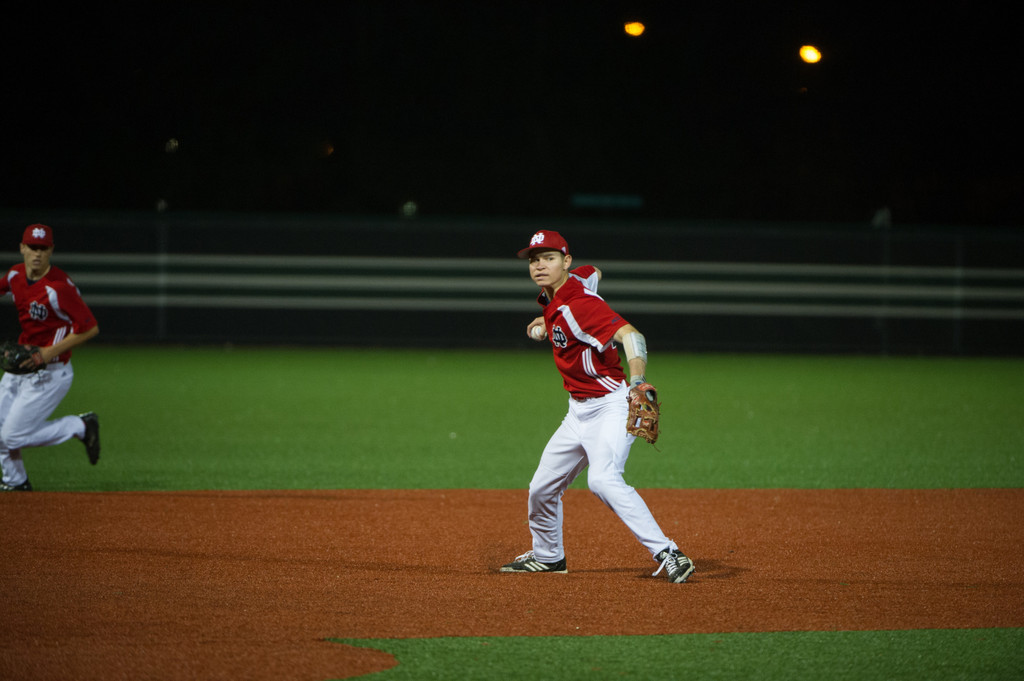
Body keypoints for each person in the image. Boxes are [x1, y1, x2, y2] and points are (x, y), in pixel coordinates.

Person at [500, 230, 694, 583]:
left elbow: (633, 336)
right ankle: (548, 557)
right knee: (542, 488)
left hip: (610, 408)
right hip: (577, 413)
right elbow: (594, 273)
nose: (540, 265)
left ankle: (669, 553)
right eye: (534, 259)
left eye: (549, 258)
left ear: (565, 262)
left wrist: (637, 381)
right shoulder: (568, 288)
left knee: (603, 479)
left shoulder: (580, 305)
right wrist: (547, 320)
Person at [0, 224, 100, 491]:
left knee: (11, 436)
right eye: (32, 247)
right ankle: (16, 482)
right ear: (22, 248)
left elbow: (90, 328)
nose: (37, 254)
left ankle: (79, 426)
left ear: (51, 251)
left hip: (51, 373)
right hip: (19, 367)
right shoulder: (15, 276)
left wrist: (46, 353)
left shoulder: (60, 287)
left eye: (43, 249)